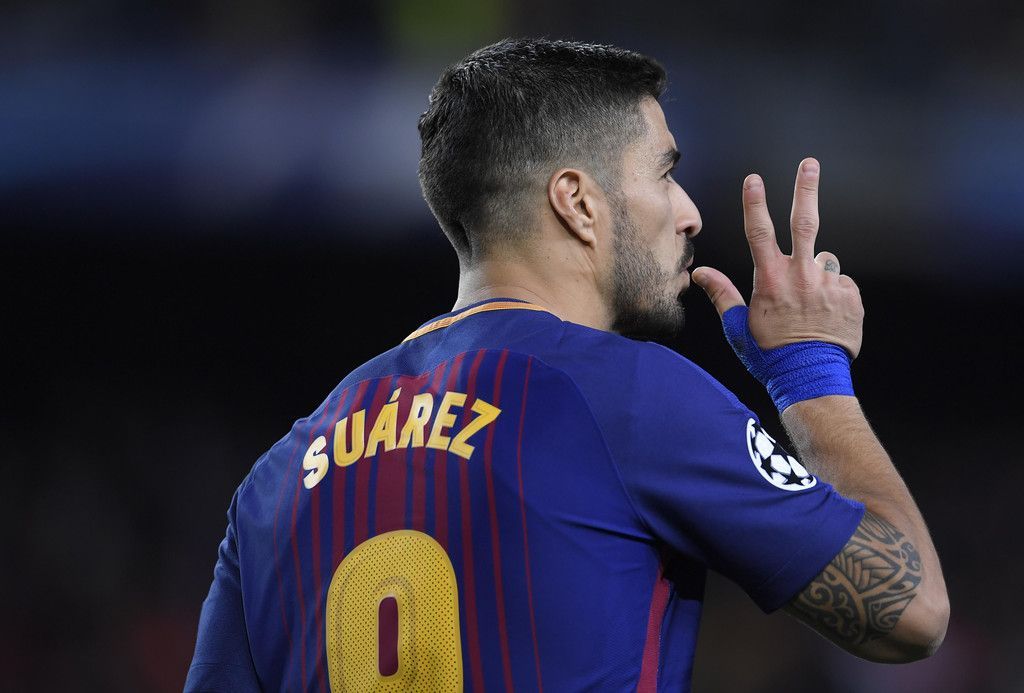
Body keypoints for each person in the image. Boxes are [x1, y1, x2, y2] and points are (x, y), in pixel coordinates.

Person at [186, 38, 949, 692]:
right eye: (664, 173)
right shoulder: (630, 397)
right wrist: (811, 372)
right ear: (577, 202)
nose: (689, 212)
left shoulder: (276, 479)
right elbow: (914, 611)